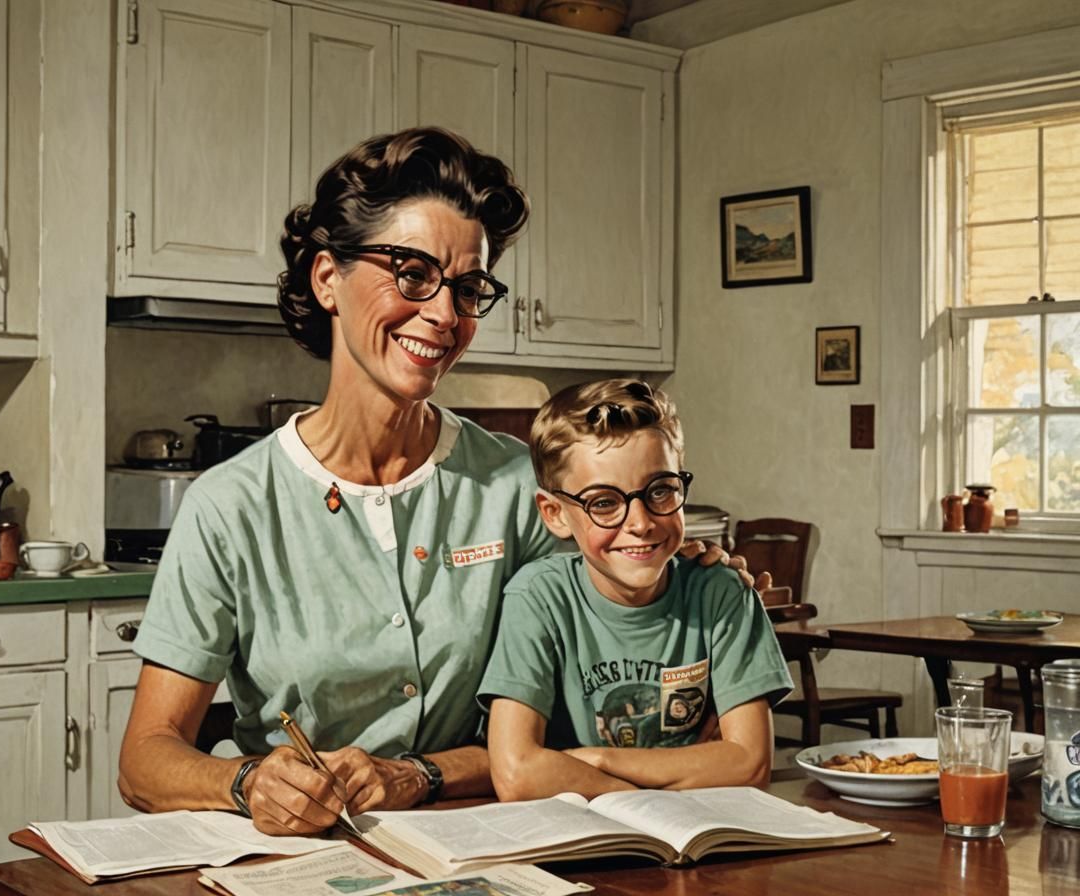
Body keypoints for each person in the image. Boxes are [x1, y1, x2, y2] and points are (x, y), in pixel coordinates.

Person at [117, 127, 758, 837]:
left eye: (468, 288)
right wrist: (246, 780)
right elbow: (145, 760)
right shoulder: (229, 507)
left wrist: (689, 583)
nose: (446, 315)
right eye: (412, 274)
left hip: (492, 838)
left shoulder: (520, 486)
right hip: (299, 849)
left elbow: (584, 696)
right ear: (327, 278)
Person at [478, 379, 793, 801]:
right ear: (554, 514)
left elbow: (750, 764)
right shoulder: (538, 598)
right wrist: (670, 780)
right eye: (604, 502)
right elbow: (518, 775)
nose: (641, 522)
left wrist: (596, 761)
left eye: (661, 490)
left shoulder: (722, 593)